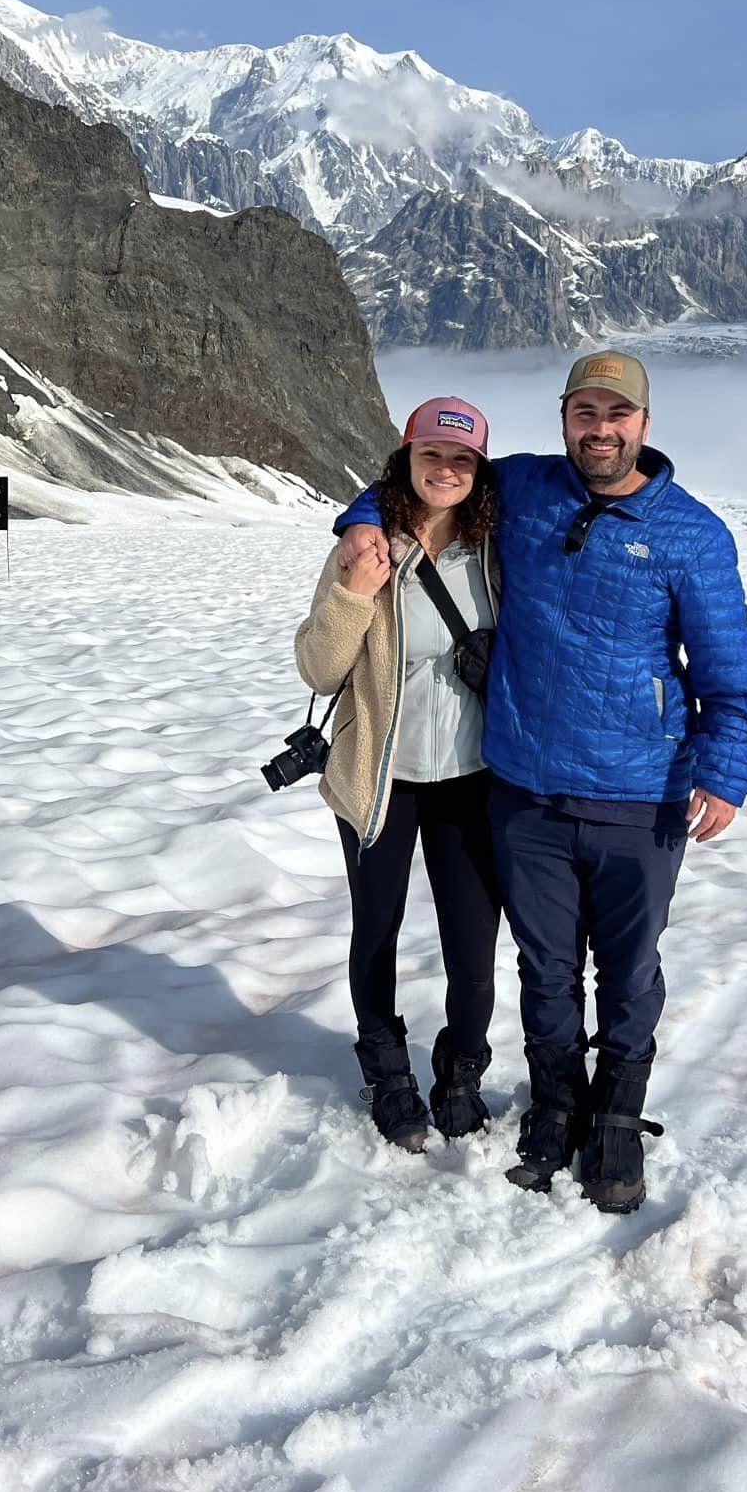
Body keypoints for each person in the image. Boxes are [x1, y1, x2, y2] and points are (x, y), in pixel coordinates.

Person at [335, 350, 747, 1213]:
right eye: (584, 414)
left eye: (618, 416)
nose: (600, 431)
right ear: (564, 416)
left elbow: (730, 673)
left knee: (630, 969)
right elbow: (425, 482)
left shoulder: (692, 533)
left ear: (644, 424)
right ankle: (557, 1102)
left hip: (638, 794)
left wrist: (723, 768)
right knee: (545, 967)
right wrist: (353, 521)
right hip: (524, 790)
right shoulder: (524, 490)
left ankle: (615, 1116)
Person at [295, 397, 505, 1155]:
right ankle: (387, 1072)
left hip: (473, 779)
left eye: (462, 459)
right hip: (378, 779)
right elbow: (320, 669)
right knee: (375, 933)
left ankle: (461, 1071)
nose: (445, 470)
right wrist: (353, 592)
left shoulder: (496, 545)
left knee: (473, 948)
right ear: (405, 458)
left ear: (478, 470)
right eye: (431, 456)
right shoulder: (366, 546)